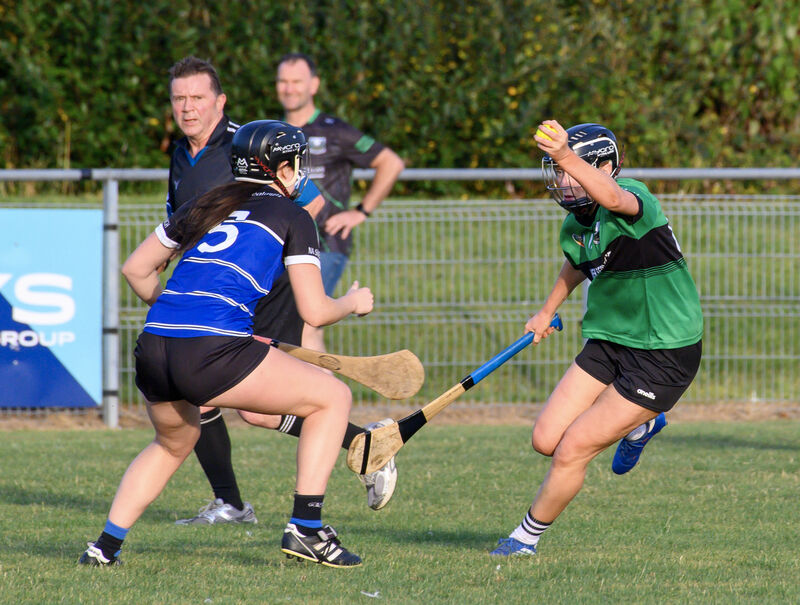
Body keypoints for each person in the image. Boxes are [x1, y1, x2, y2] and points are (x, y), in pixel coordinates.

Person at [80, 120, 372, 568]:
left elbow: (136, 270)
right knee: (333, 396)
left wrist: (182, 308)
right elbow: (314, 310)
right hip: (210, 349)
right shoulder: (293, 215)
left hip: (155, 344)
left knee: (172, 443)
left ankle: (104, 548)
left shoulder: (206, 203)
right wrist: (352, 302)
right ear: (285, 167)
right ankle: (307, 530)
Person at [165, 56, 398, 525]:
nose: (188, 108)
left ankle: (252, 503)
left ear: (220, 101)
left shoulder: (246, 146)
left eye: (198, 98)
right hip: (220, 292)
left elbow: (308, 203)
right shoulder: (180, 150)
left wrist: (267, 261)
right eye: (179, 98)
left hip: (266, 289)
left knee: (216, 394)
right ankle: (361, 447)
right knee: (222, 401)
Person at [490, 121, 703, 557]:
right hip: (610, 340)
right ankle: (642, 421)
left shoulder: (634, 197)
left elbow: (611, 197)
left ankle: (524, 540)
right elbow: (578, 262)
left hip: (663, 353)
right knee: (545, 440)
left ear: (607, 166)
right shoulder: (574, 224)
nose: (563, 181)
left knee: (571, 450)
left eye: (572, 169)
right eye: (557, 170)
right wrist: (547, 311)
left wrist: (567, 154)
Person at [275, 52, 405, 354]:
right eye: (283, 81)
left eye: (297, 81)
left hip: (326, 244)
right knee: (278, 327)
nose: (289, 88)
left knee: (308, 322)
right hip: (278, 244)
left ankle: (327, 399)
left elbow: (390, 162)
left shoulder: (335, 130)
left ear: (314, 85)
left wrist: (360, 212)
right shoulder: (271, 133)